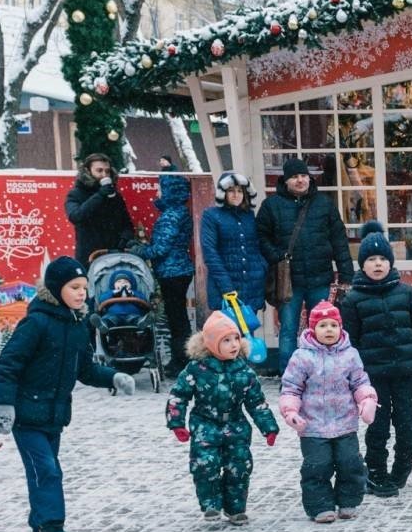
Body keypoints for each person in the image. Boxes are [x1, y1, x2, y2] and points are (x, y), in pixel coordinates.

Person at [0, 257, 136, 532]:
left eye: (84, 287)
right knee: (47, 471)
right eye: (74, 287)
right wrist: (4, 406)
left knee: (42, 472)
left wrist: (114, 376)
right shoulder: (36, 323)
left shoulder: (78, 324)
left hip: (54, 416)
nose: (81, 293)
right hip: (26, 415)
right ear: (57, 289)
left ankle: (39, 523)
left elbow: (84, 369)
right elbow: (7, 365)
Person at [339, 220, 412, 497]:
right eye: (371, 259)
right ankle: (375, 473)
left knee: (406, 426)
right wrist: (349, 377)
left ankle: (402, 465)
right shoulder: (353, 300)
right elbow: (348, 343)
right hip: (372, 377)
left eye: (382, 259)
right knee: (378, 427)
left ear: (390, 262)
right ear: (362, 265)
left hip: (403, 372)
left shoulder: (405, 292)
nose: (377, 264)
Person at [166, 312, 280, 524]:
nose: (233, 345)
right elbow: (179, 396)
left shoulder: (244, 371)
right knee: (204, 465)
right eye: (226, 340)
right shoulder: (196, 369)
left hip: (236, 426)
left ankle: (235, 508)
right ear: (211, 344)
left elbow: (256, 402)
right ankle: (211, 504)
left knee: (239, 467)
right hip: (205, 425)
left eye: (236, 339)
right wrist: (176, 423)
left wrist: (269, 427)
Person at [278, 300, 377, 523]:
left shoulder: (350, 355)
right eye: (323, 326)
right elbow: (291, 388)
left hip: (345, 423)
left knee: (350, 463)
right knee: (317, 467)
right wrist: (291, 411)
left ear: (341, 328)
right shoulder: (302, 357)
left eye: (333, 325)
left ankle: (348, 501)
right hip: (312, 425)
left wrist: (367, 399)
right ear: (312, 330)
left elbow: (360, 381)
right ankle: (320, 505)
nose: (329, 330)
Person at [257, 158, 355, 375]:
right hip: (288, 281)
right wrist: (277, 256)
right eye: (294, 177)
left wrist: (347, 273)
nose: (300, 180)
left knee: (323, 327)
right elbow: (261, 237)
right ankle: (289, 375)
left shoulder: (324, 204)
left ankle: (323, 372)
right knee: (288, 330)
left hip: (319, 277)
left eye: (303, 176)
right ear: (286, 180)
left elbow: (339, 239)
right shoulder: (271, 206)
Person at [141, 173, 196, 373]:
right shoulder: (181, 212)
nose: (158, 192)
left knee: (176, 318)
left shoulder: (171, 215)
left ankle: (180, 360)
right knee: (178, 316)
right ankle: (183, 357)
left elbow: (161, 248)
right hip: (180, 269)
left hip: (172, 271)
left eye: (161, 188)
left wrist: (140, 250)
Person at [200, 172, 267, 317]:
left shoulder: (249, 215)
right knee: (227, 335)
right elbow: (210, 253)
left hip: (252, 284)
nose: (236, 195)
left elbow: (256, 246)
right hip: (224, 284)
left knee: (248, 334)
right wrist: (226, 286)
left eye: (239, 191)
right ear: (222, 193)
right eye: (231, 190)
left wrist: (262, 267)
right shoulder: (211, 215)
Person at [65, 153, 136, 263]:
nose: (104, 175)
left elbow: (126, 223)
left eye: (107, 171)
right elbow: (75, 216)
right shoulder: (76, 194)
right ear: (88, 171)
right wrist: (99, 195)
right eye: (99, 170)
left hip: (114, 254)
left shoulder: (115, 196)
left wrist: (125, 238)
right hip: (89, 255)